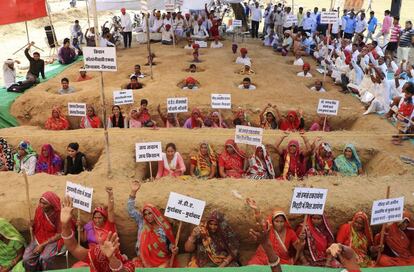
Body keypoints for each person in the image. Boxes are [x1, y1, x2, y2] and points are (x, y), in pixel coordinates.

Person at [60, 197, 134, 272]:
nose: (97, 220)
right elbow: (73, 247)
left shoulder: (109, 225)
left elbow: (122, 270)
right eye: (95, 218)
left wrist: (111, 258)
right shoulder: (94, 254)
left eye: (99, 218)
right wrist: (65, 225)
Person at [127, 180, 178, 267]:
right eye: (145, 214)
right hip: (143, 260)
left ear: (155, 213)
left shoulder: (163, 227)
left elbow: (168, 244)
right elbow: (130, 210)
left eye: (150, 213)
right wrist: (133, 192)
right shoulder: (142, 222)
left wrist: (173, 249)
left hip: (161, 260)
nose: (148, 216)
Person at [247, 199, 302, 264]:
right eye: (277, 221)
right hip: (263, 257)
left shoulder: (290, 232)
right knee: (253, 266)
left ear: (285, 222)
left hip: (281, 260)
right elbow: (260, 221)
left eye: (281, 221)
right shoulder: (268, 228)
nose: (279, 224)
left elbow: (298, 247)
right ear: (272, 222)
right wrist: (256, 209)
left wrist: (302, 240)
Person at [23, 192, 63, 271]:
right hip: (39, 237)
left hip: (52, 239)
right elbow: (37, 223)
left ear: (51, 204)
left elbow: (60, 234)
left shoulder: (58, 215)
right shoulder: (39, 210)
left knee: (45, 258)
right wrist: (32, 224)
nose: (41, 205)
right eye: (40, 202)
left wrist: (42, 245)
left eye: (45, 204)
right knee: (26, 258)